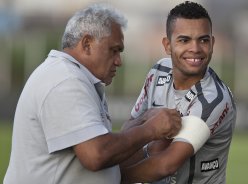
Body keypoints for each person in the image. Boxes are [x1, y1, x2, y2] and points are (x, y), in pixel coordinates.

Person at [3, 3, 182, 184]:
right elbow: (96, 154)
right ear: (87, 44)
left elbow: (104, 147)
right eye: (114, 50)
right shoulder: (66, 81)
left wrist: (141, 122)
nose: (119, 61)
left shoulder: (77, 78)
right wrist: (151, 129)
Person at [121, 1, 237, 184]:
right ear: (167, 45)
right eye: (184, 40)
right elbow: (129, 129)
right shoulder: (158, 70)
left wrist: (110, 178)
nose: (195, 49)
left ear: (212, 44)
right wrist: (147, 118)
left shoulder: (214, 99)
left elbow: (166, 164)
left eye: (203, 40)